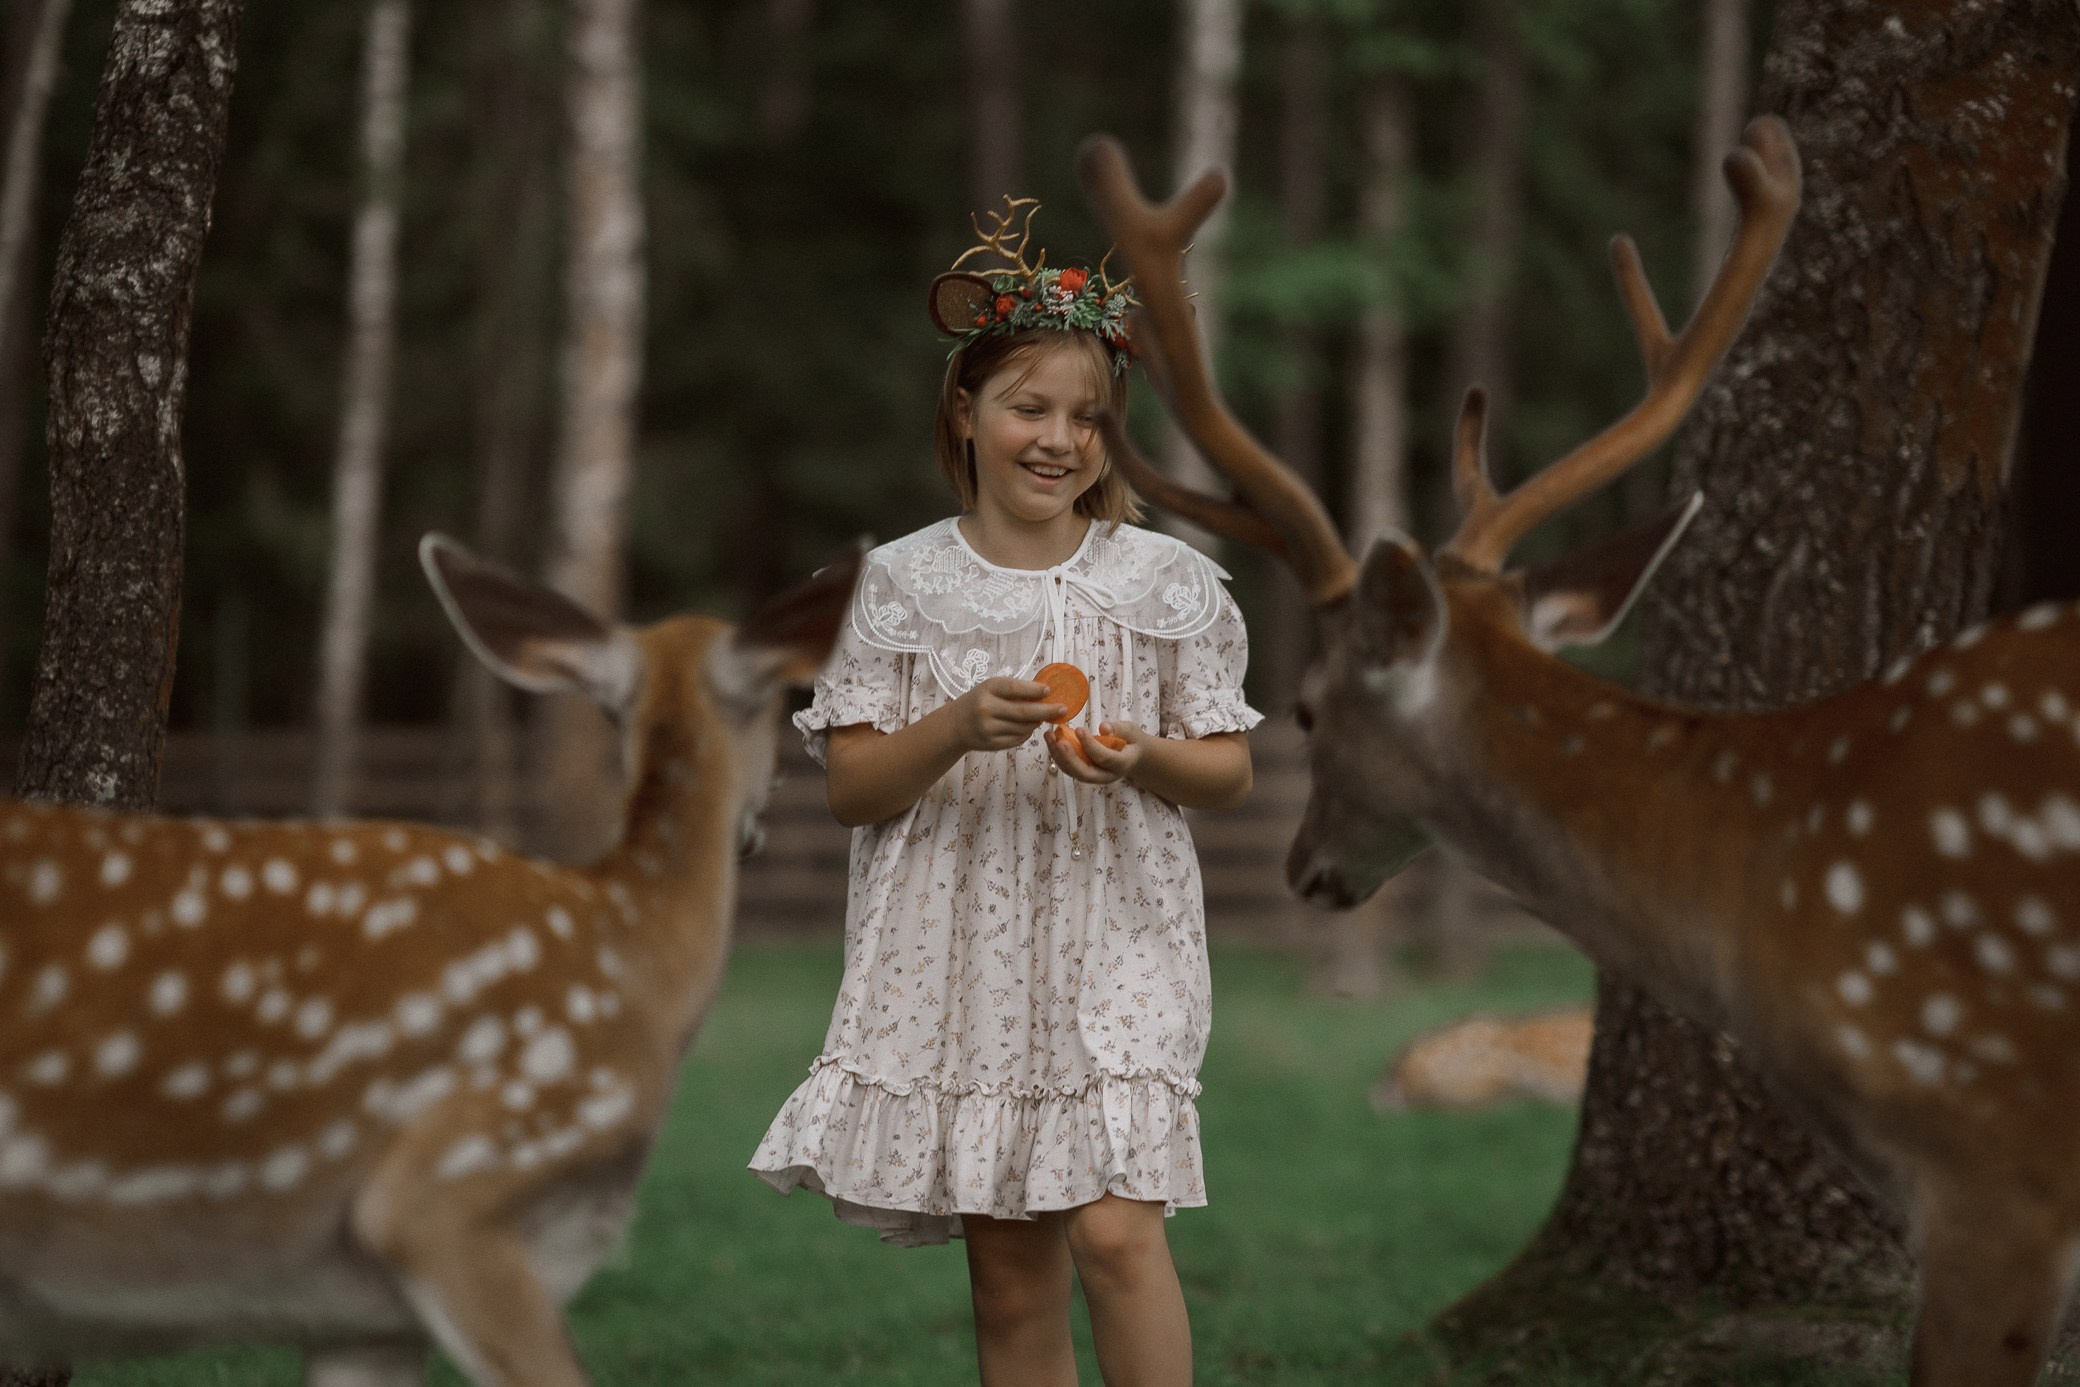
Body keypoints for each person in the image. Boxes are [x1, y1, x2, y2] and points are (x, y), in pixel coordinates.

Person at [750, 198, 1259, 1387]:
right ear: (965, 413)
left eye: (1087, 417)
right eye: (1030, 407)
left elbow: (1227, 767)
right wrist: (955, 726)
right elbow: (855, 791)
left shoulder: (1166, 584)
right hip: (957, 961)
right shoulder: (889, 589)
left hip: (1119, 937)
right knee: (1012, 1274)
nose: (1059, 439)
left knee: (1120, 1233)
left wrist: (1142, 756)